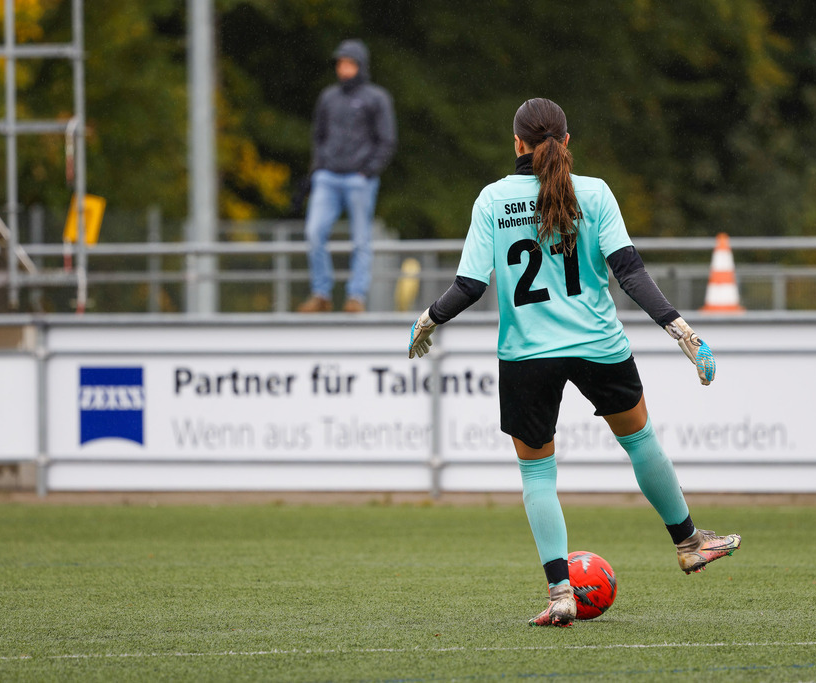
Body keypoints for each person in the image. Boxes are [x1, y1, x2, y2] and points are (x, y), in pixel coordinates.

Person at [407, 98, 741, 627]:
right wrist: (679, 327)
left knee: (537, 472)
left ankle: (561, 592)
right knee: (640, 440)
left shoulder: (493, 199)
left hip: (526, 356)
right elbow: (630, 274)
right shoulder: (596, 191)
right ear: (567, 142)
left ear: (517, 143)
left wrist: (428, 320)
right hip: (598, 346)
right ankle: (689, 542)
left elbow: (469, 286)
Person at [297, 39, 396, 314]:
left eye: (349, 63)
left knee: (361, 239)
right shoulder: (328, 97)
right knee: (314, 233)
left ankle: (356, 296)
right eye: (340, 63)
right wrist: (317, 169)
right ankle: (321, 293)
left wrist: (368, 171)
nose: (343, 68)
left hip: (358, 179)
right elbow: (318, 136)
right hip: (327, 177)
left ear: (361, 66)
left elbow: (387, 140)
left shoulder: (377, 98)